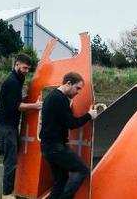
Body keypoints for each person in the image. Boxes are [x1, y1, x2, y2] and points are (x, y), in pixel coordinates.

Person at [40, 71, 98, 199]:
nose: (78, 92)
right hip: (55, 147)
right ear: (68, 83)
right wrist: (89, 115)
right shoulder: (59, 99)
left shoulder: (53, 97)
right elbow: (71, 123)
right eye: (77, 88)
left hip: (49, 147)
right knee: (81, 170)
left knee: (60, 181)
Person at [0, 53, 42, 199]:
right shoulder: (12, 82)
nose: (26, 71)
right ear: (17, 64)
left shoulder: (18, 79)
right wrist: (35, 105)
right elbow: (18, 106)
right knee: (10, 160)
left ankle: (11, 190)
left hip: (10, 125)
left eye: (28, 69)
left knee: (13, 159)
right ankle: (7, 194)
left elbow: (16, 100)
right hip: (6, 127)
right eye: (24, 68)